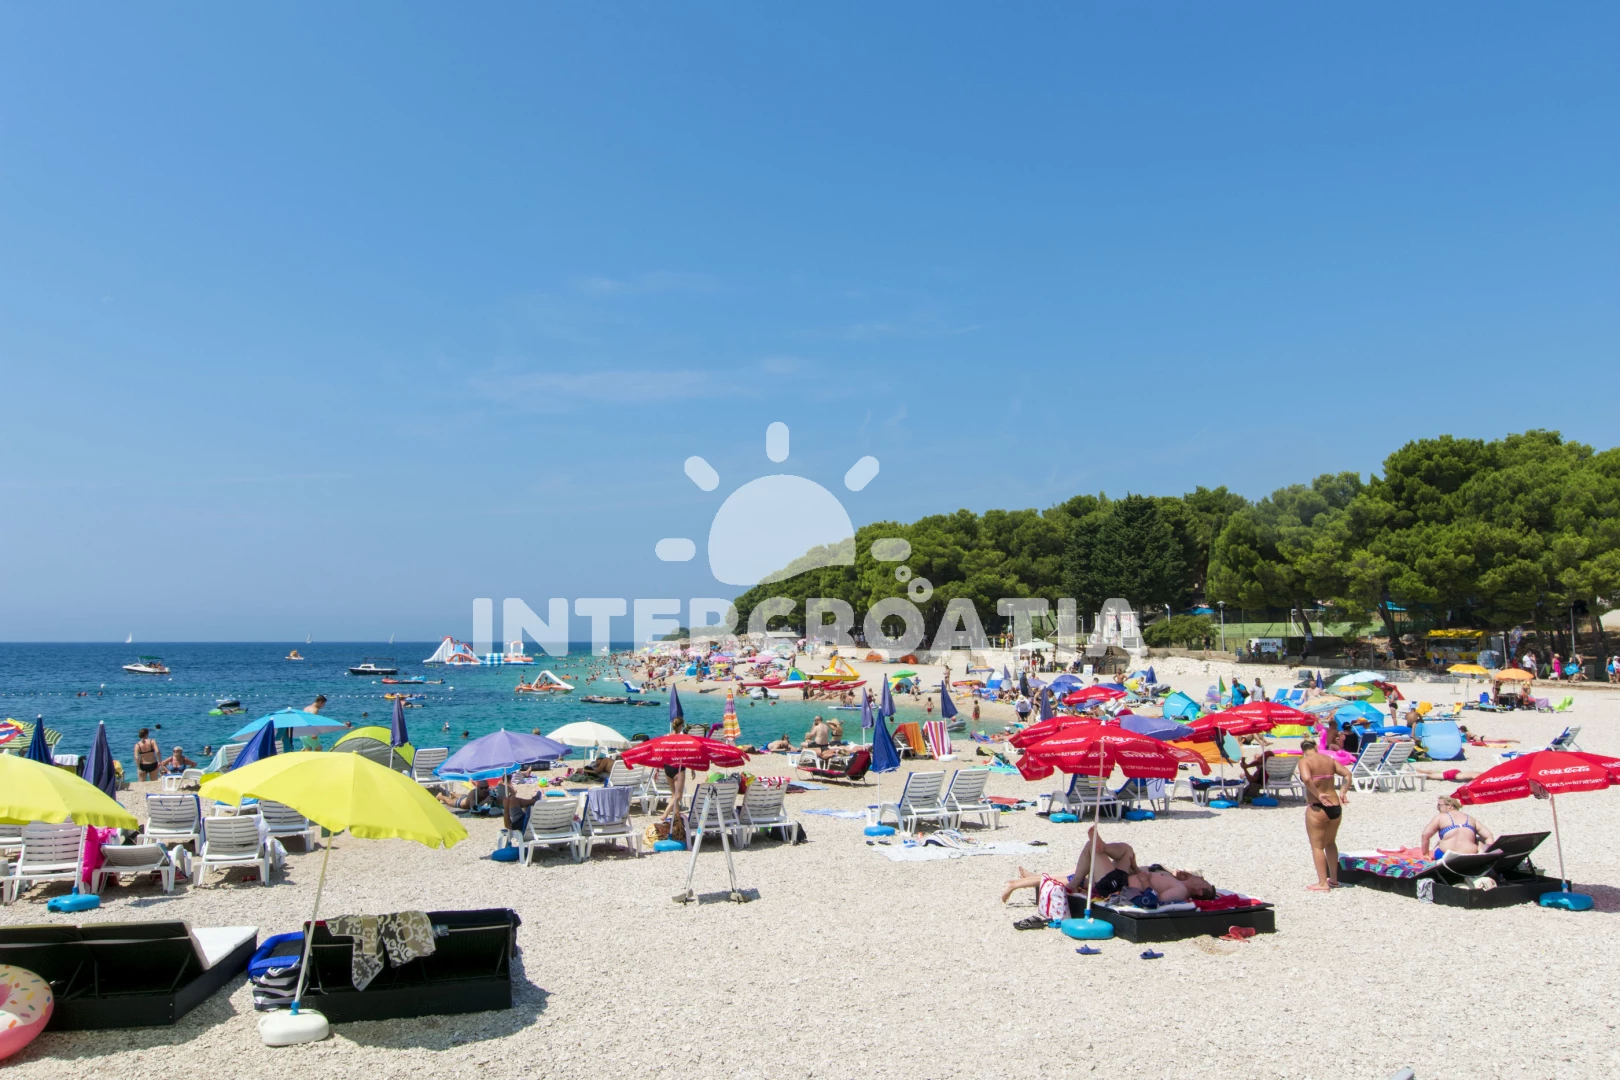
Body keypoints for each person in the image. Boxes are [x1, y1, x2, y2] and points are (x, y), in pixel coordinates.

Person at [999, 826, 1216, 909]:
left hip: (1117, 887)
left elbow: (1154, 901)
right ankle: (1101, 850)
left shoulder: (1180, 891)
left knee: (1090, 850)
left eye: (1203, 881)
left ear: (1199, 890)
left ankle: (1078, 875)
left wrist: (1144, 881)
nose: (1200, 877)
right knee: (1127, 849)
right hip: (1124, 876)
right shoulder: (1177, 881)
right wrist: (1135, 868)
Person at [1298, 737, 1351, 892]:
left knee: (1317, 846)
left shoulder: (1305, 762)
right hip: (1335, 805)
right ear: (1315, 746)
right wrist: (1343, 792)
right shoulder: (1329, 760)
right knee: (1331, 843)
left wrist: (1318, 795)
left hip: (1318, 807)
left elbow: (1306, 778)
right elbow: (1347, 774)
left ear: (1303, 750)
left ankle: (1322, 883)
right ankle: (1334, 879)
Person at [1419, 794, 1496, 858]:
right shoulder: (1470, 818)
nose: (1437, 808)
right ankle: (1487, 855)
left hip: (1445, 855)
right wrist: (1489, 853)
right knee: (1479, 840)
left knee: (1438, 843)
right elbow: (1489, 835)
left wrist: (1425, 854)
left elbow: (1425, 835)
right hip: (1469, 856)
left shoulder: (1440, 817)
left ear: (1449, 806)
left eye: (1439, 805)